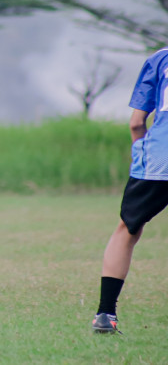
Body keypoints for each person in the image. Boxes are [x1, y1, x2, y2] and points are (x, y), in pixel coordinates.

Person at [92, 47, 168, 334]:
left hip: (160, 157)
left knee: (127, 230)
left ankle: (105, 314)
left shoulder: (161, 58)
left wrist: (141, 153)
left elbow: (137, 122)